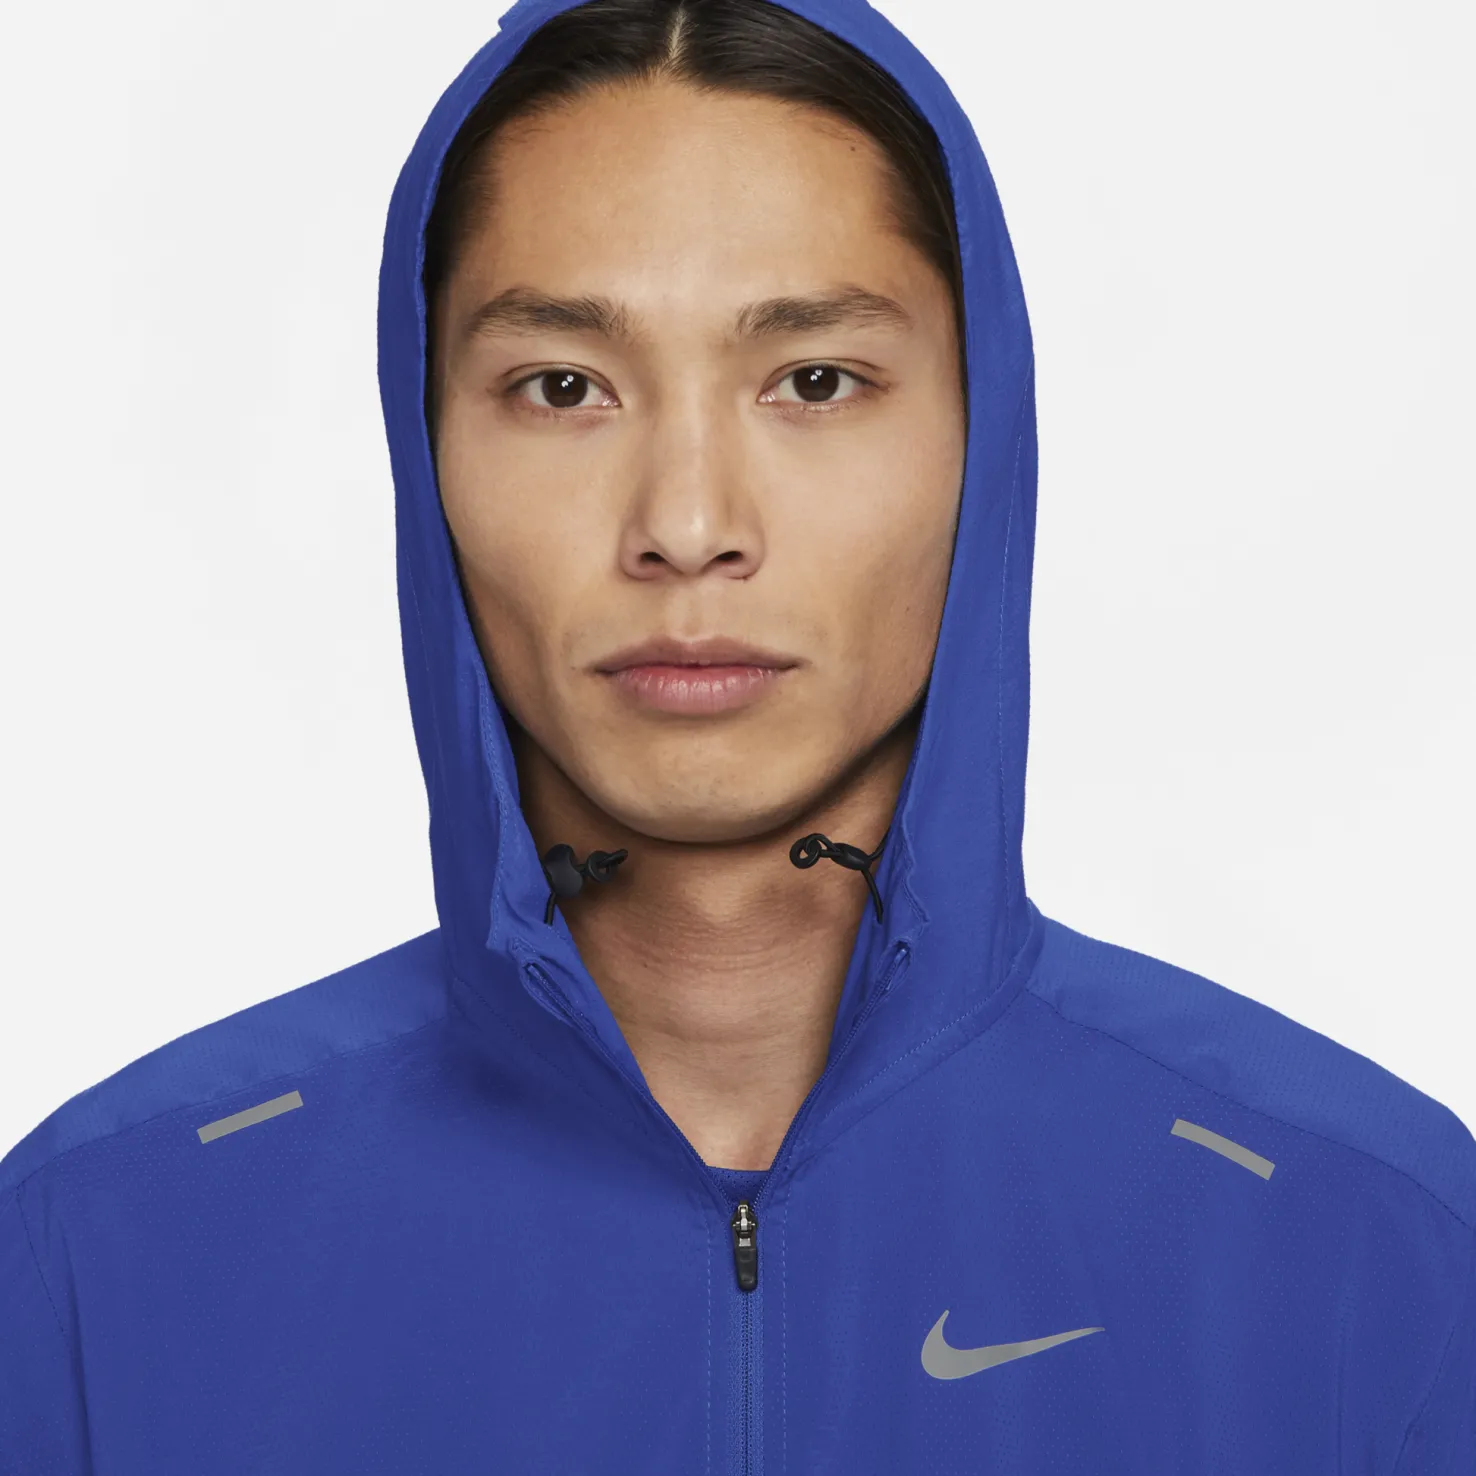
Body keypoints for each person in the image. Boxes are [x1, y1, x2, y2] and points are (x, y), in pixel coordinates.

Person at [3, 0, 1473, 1467]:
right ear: (425, 443)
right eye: (563, 388)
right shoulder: (92, 1252)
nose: (689, 523)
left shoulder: (1380, 1245)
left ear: (985, 438)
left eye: (814, 381)